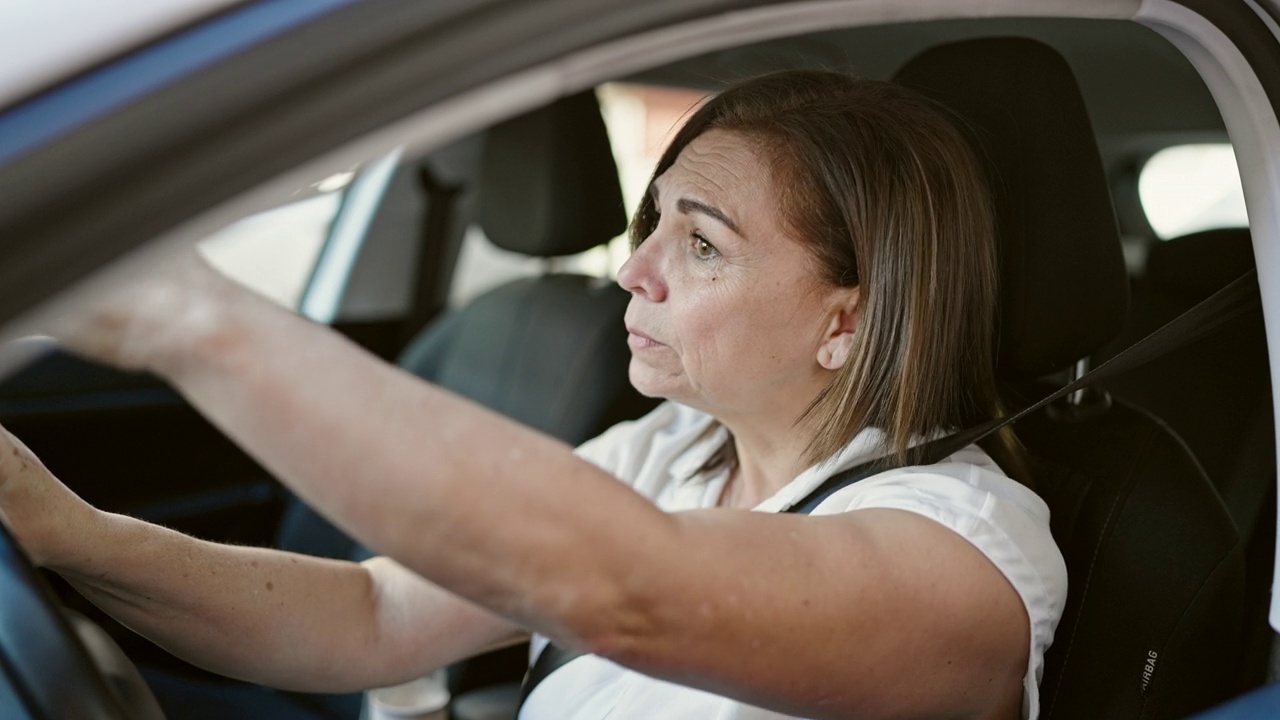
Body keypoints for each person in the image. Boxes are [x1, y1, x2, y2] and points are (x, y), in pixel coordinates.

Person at [0, 70, 1066, 720]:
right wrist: (75, 536)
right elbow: (373, 615)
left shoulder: (961, 554)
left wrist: (192, 319)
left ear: (845, 321)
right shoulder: (671, 452)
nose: (630, 271)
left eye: (698, 244)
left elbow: (629, 594)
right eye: (650, 224)